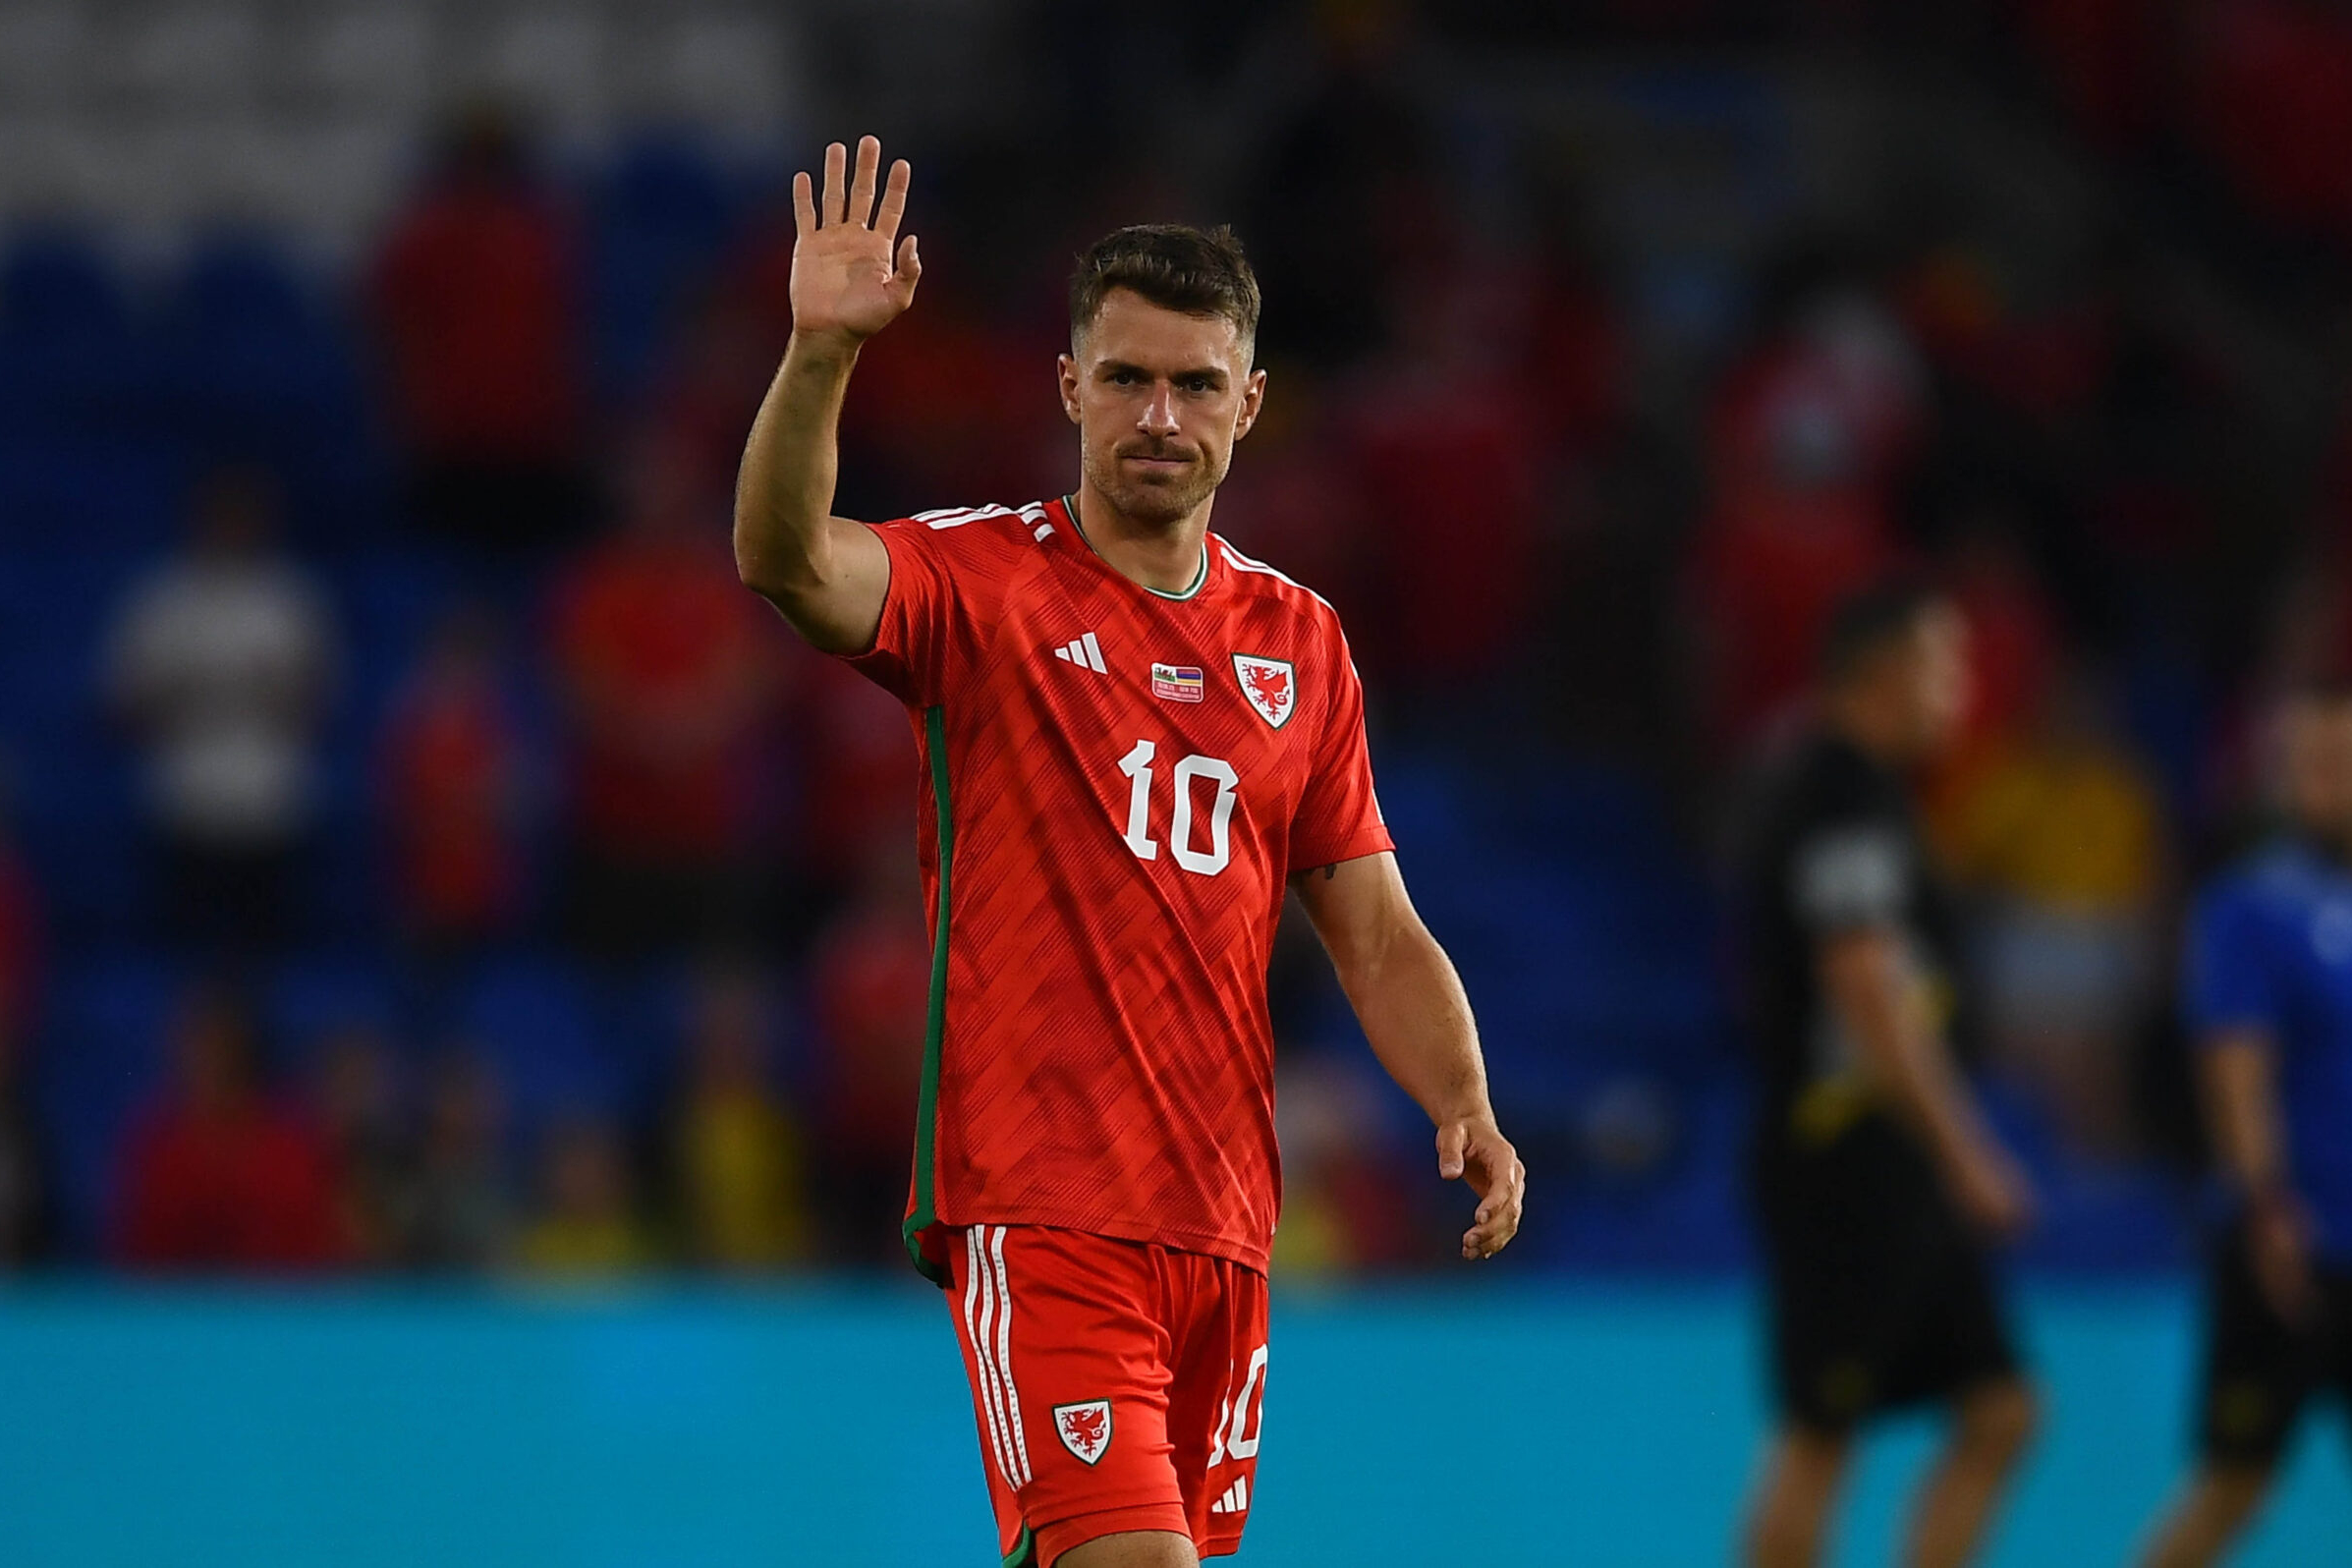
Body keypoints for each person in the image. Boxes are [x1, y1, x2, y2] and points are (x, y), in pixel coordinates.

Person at [734, 137, 1525, 1568]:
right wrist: (818, 359)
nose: (1157, 413)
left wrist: (1460, 1097)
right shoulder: (980, 585)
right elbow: (785, 559)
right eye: (1125, 378)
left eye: (1194, 383)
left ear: (1250, 405)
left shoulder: (1301, 641)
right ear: (1068, 389)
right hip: (1039, 1205)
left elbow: (1371, 924)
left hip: (1223, 1226)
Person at [1735, 581, 2040, 1568]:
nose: (1960, 689)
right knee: (1823, 1432)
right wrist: (1968, 1151)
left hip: (1891, 1156)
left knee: (2000, 1408)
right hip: (1846, 1154)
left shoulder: (1865, 794)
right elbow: (1865, 985)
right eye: (1945, 664)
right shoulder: (1839, 798)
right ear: (1884, 671)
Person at [2137, 681, 2352, 1567]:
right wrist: (2266, 1204)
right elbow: (2236, 1066)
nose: (2328, 780)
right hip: (2294, 1247)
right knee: (2236, 1484)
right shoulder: (2252, 904)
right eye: (2312, 763)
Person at [107, 468, 338, 953]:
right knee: (182, 955)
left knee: (267, 954)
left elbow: (320, 708)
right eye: (221, 517)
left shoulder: (291, 602)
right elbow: (120, 709)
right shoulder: (161, 601)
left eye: (242, 518)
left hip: (272, 804)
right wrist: (185, 693)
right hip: (182, 803)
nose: (231, 529)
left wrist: (264, 691)